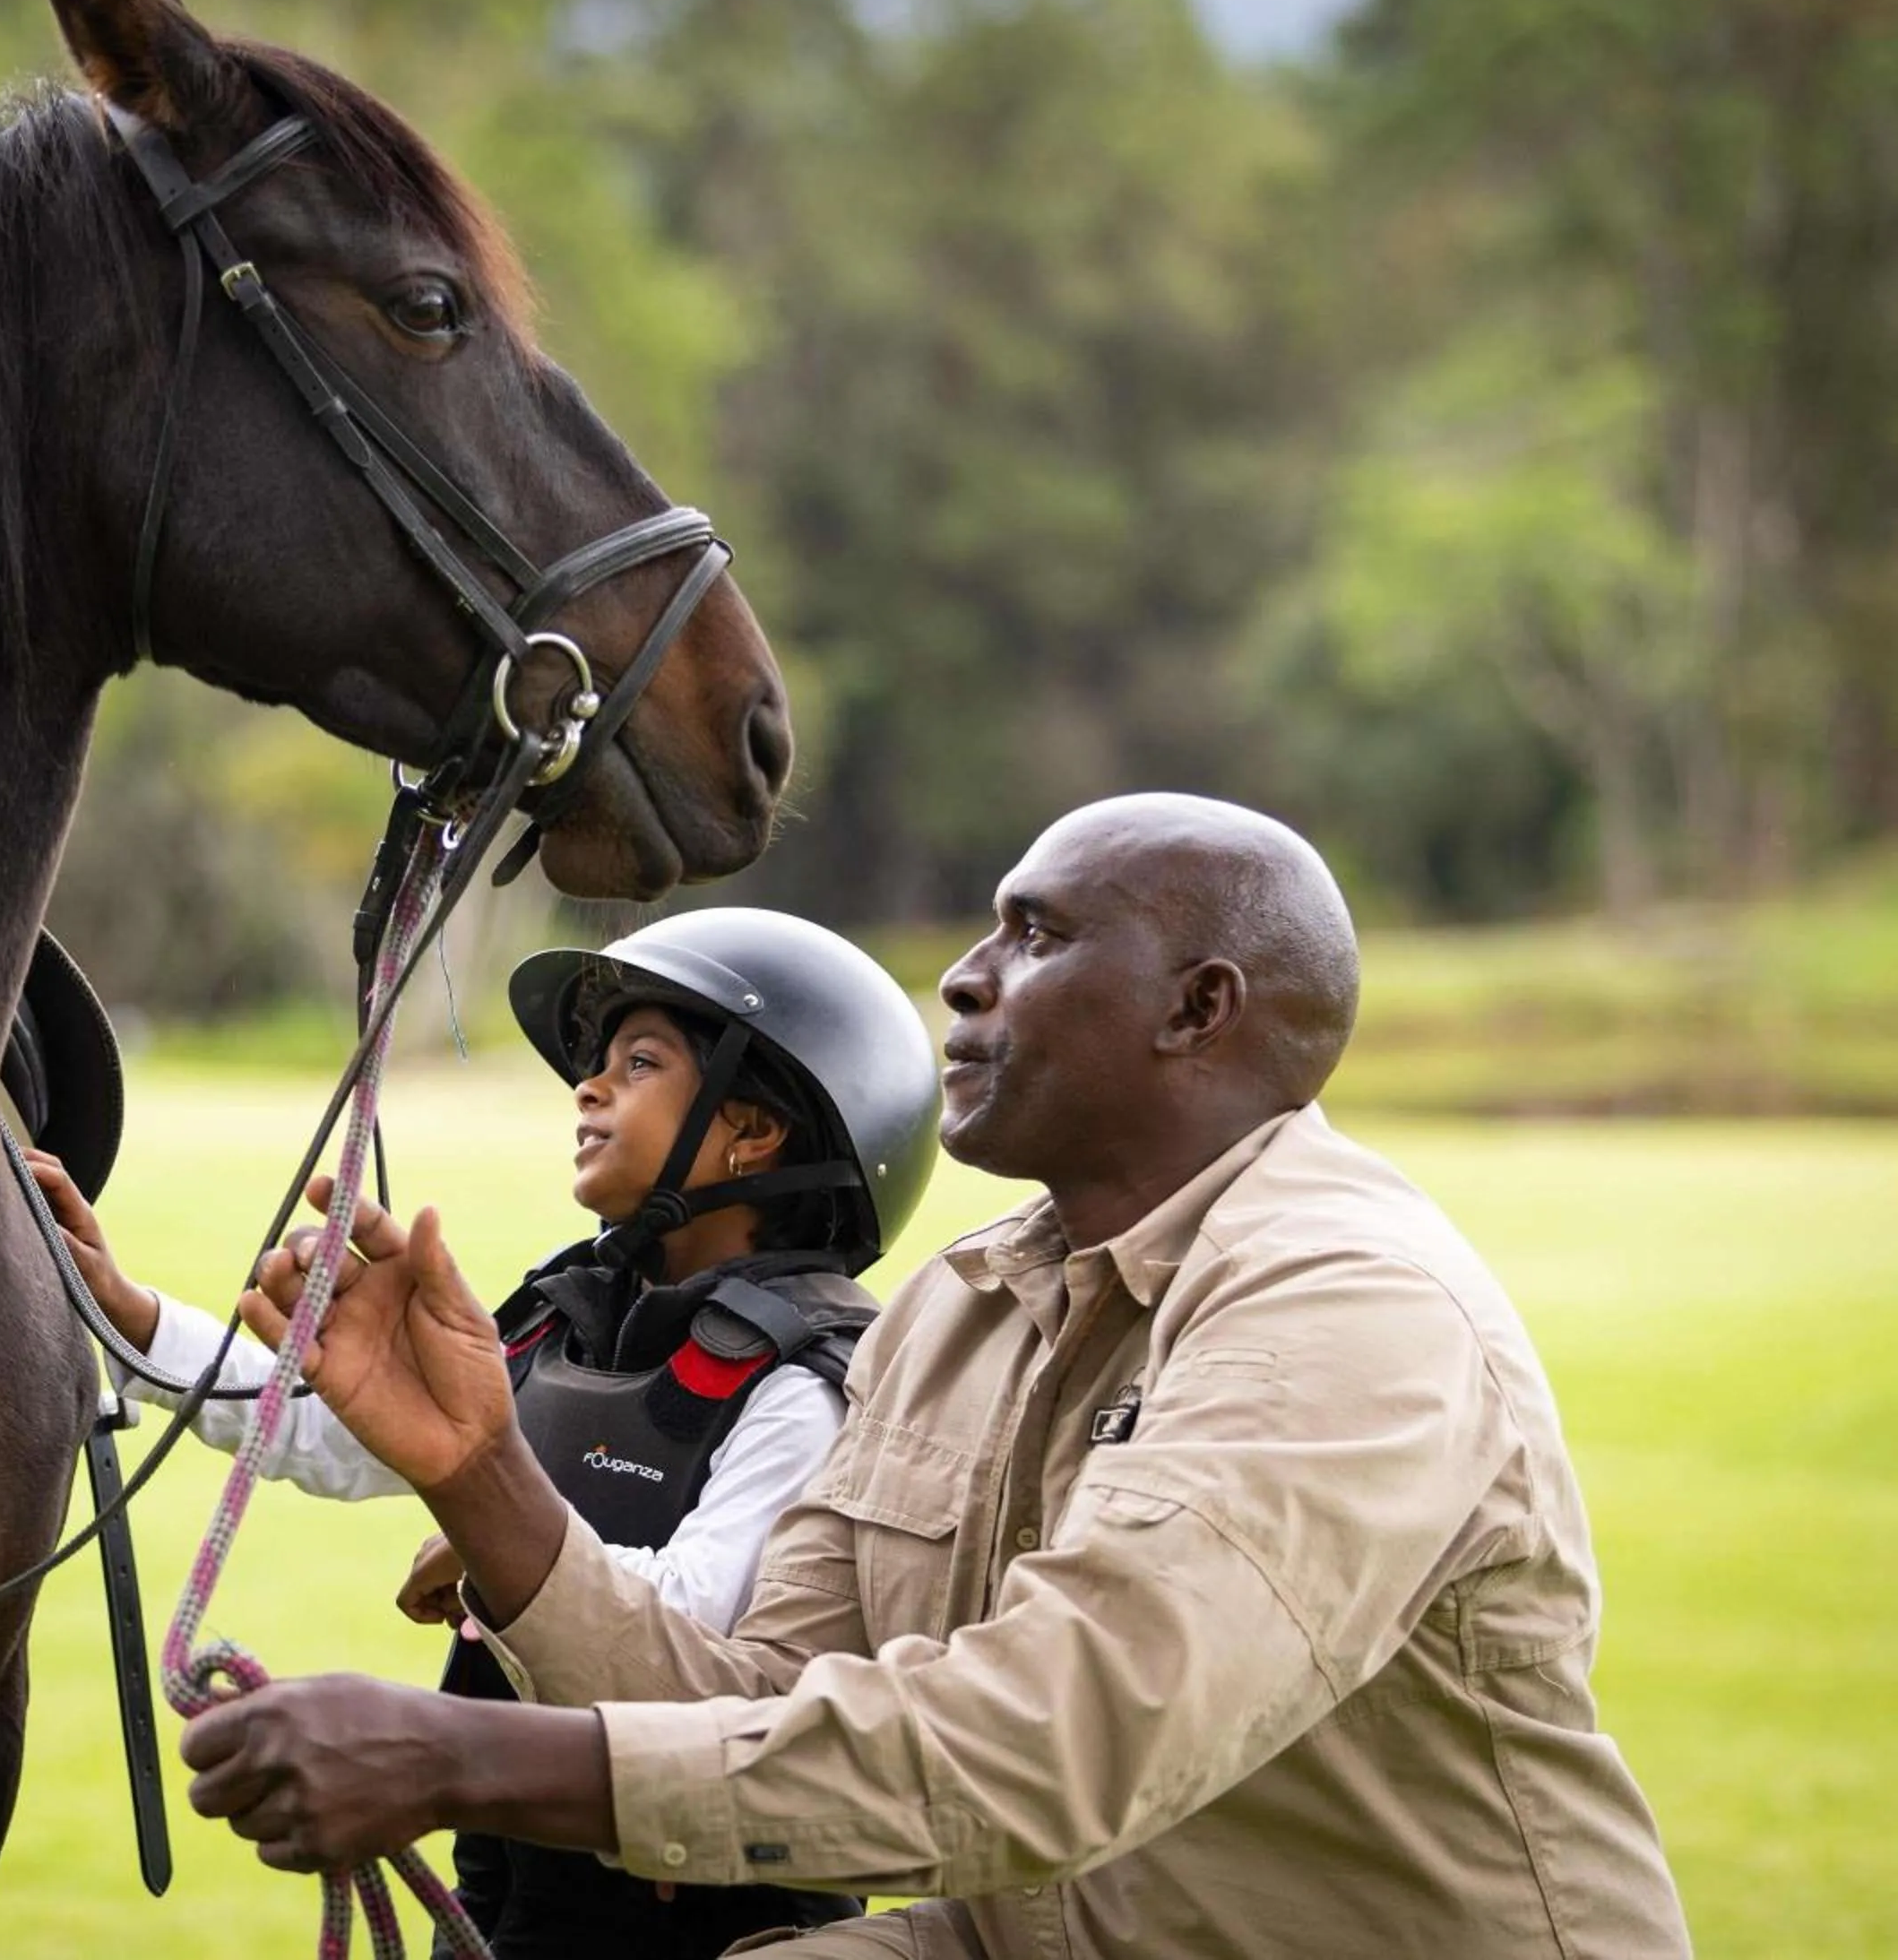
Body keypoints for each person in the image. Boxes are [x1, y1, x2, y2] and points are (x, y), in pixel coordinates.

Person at [177, 793, 1694, 1959]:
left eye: (1033, 938)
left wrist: (465, 1756)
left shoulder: (1350, 1312)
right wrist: (481, 1473)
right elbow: (762, 1695)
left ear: (1198, 1011)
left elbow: (1047, 1749)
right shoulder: (959, 1312)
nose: (963, 982)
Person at [28, 908, 943, 1960]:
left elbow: (706, 1628)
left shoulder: (803, 1383)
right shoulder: (572, 1316)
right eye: (595, 1064)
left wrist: (483, 1548)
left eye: (637, 1064)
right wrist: (126, 1311)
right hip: (511, 1889)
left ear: (753, 1131)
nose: (588, 1087)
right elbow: (338, 1431)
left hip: (700, 1925)